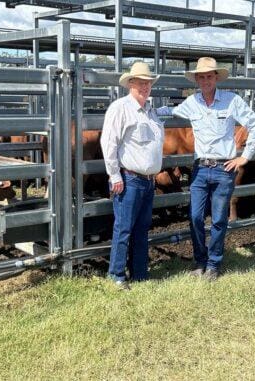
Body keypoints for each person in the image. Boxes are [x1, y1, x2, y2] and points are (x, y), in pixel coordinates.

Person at [158, 57, 255, 281]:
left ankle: (213, 264)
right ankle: (200, 260)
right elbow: (169, 111)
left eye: (209, 76)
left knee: (218, 219)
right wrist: (145, 110)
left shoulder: (231, 100)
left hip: (224, 169)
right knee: (195, 217)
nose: (205, 80)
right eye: (201, 77)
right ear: (196, 79)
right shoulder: (192, 103)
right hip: (200, 168)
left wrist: (244, 157)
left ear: (216, 77)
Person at [100, 61, 164, 290]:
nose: (145, 87)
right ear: (130, 84)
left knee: (141, 228)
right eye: (140, 83)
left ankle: (139, 273)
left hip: (147, 181)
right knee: (124, 227)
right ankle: (117, 274)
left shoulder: (150, 111)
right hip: (129, 179)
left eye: (147, 83)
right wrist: (114, 175)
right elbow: (109, 143)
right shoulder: (120, 108)